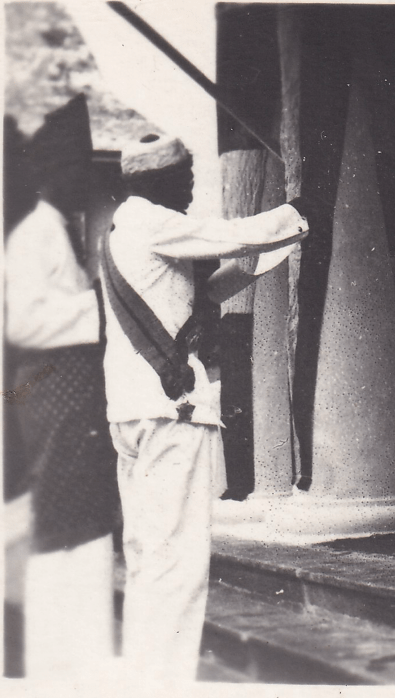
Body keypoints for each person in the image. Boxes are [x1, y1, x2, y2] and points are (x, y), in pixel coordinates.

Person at [101, 133, 317, 681]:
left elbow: (208, 292)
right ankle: (165, 682)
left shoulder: (127, 228)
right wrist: (295, 215)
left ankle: (145, 677)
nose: (193, 192)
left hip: (134, 411)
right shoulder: (153, 220)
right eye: (187, 180)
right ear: (162, 181)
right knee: (179, 560)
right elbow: (228, 237)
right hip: (170, 410)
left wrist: (275, 247)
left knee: (151, 553)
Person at [4, 94, 120, 679]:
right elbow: (20, 320)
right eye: (73, 170)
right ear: (50, 173)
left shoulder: (65, 235)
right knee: (60, 524)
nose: (82, 182)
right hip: (51, 390)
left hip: (73, 394)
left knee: (86, 520)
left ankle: (84, 661)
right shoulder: (32, 237)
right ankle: (58, 665)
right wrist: (92, 311)